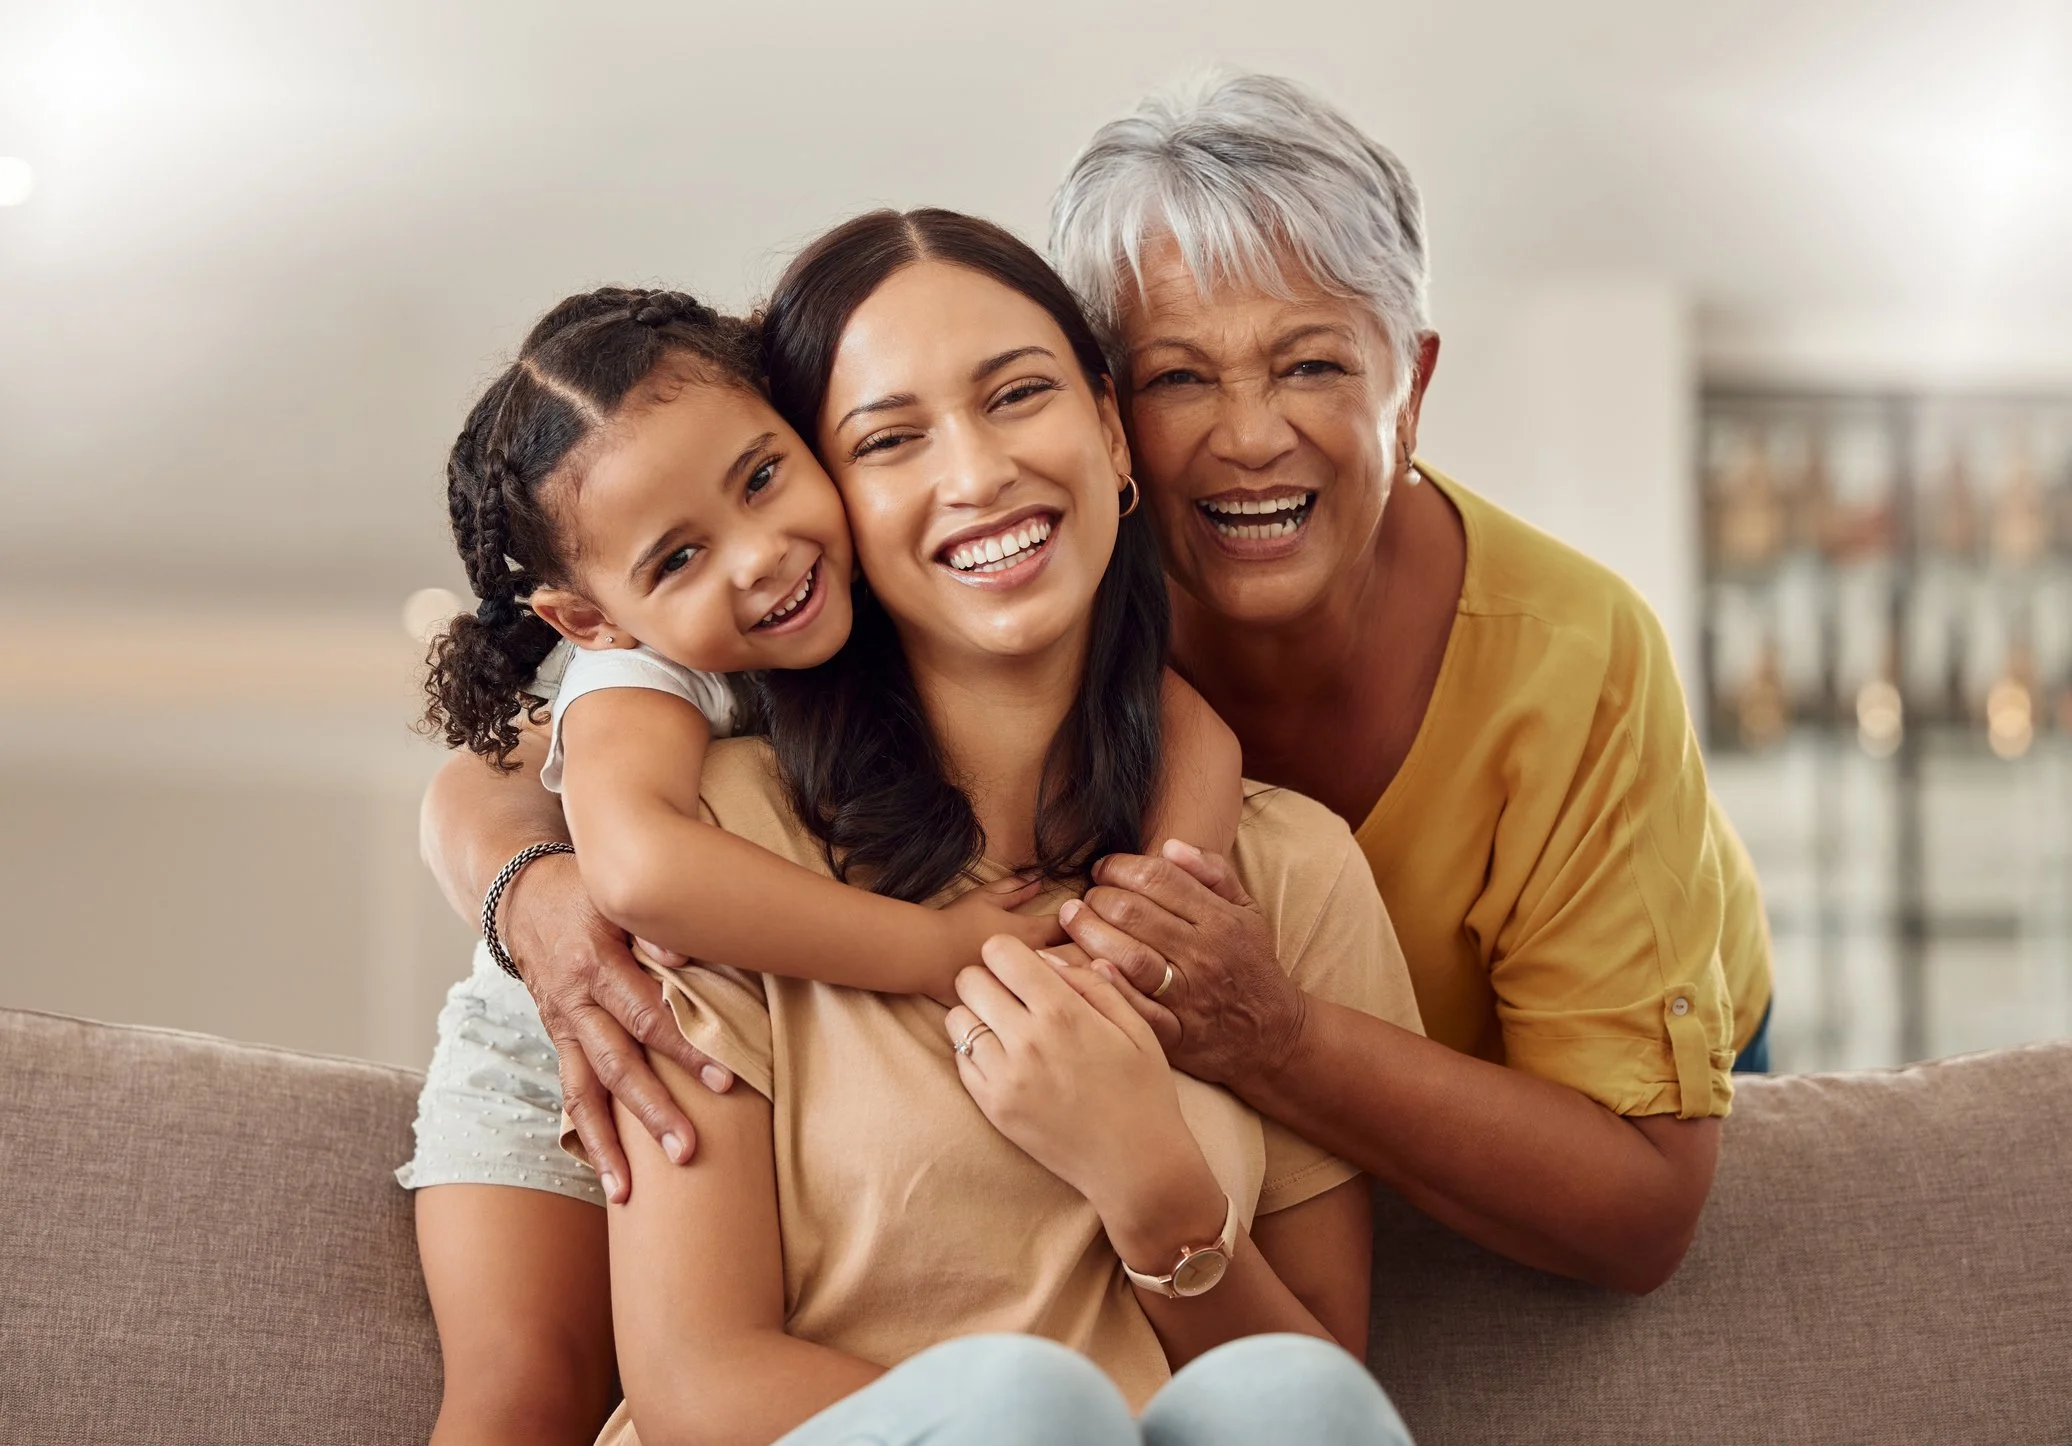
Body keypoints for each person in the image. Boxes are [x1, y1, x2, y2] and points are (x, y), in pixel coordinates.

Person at [596, 209, 1421, 1442]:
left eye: (1017, 395)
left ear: (1107, 427)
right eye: (889, 440)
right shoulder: (727, 846)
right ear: (835, 510)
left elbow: (1319, 1394)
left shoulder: (1287, 867)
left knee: (1295, 1396)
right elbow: (692, 1384)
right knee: (1022, 1406)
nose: (975, 475)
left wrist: (1153, 1188)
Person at [398, 284, 1240, 1442]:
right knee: (521, 1389)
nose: (759, 556)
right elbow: (640, 875)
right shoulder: (637, 679)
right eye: (681, 555)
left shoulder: (895, 576)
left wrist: (1156, 908)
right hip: (565, 1027)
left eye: (761, 478)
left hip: (714, 998)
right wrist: (938, 949)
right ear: (589, 618)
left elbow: (1174, 713)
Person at [1035, 70, 1775, 1293]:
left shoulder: (1577, 652)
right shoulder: (1039, 608)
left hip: (1662, 1046)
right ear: (1105, 417)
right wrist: (590, 867)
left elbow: (1638, 1207)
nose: (1250, 435)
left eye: (1310, 366)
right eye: (1177, 378)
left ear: (1411, 387)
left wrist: (1271, 1040)